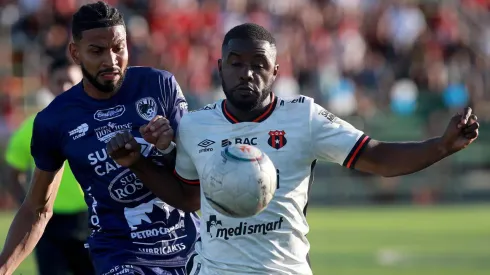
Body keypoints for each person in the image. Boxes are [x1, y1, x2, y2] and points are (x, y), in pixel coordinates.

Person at [106, 23, 479, 275]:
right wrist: (138, 163)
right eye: (236, 64)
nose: (246, 73)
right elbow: (189, 198)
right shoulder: (194, 126)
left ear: (276, 72)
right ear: (220, 67)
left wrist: (441, 146)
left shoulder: (304, 115)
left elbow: (375, 156)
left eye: (259, 65)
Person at [0, 2, 199, 275]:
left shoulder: (159, 86)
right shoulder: (54, 120)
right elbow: (37, 209)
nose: (111, 60)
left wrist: (167, 148)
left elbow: (195, 183)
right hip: (120, 255)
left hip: (190, 248)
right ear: (75, 52)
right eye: (97, 51)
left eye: (119, 48)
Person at [4, 58, 95, 275]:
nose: (64, 88)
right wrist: (27, 205)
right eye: (59, 81)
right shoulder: (34, 126)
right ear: (48, 84)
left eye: (70, 82)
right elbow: (11, 172)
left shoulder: (96, 124)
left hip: (89, 219)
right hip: (47, 225)